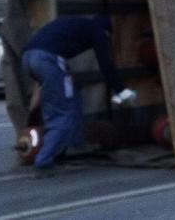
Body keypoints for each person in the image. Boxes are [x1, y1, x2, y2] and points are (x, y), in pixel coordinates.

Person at [21, 15, 136, 173]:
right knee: (64, 112)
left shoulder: (79, 24)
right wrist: (122, 91)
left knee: (70, 98)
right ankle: (44, 161)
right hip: (48, 60)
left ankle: (74, 145)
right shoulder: (99, 32)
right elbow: (106, 66)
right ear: (107, 32)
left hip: (28, 58)